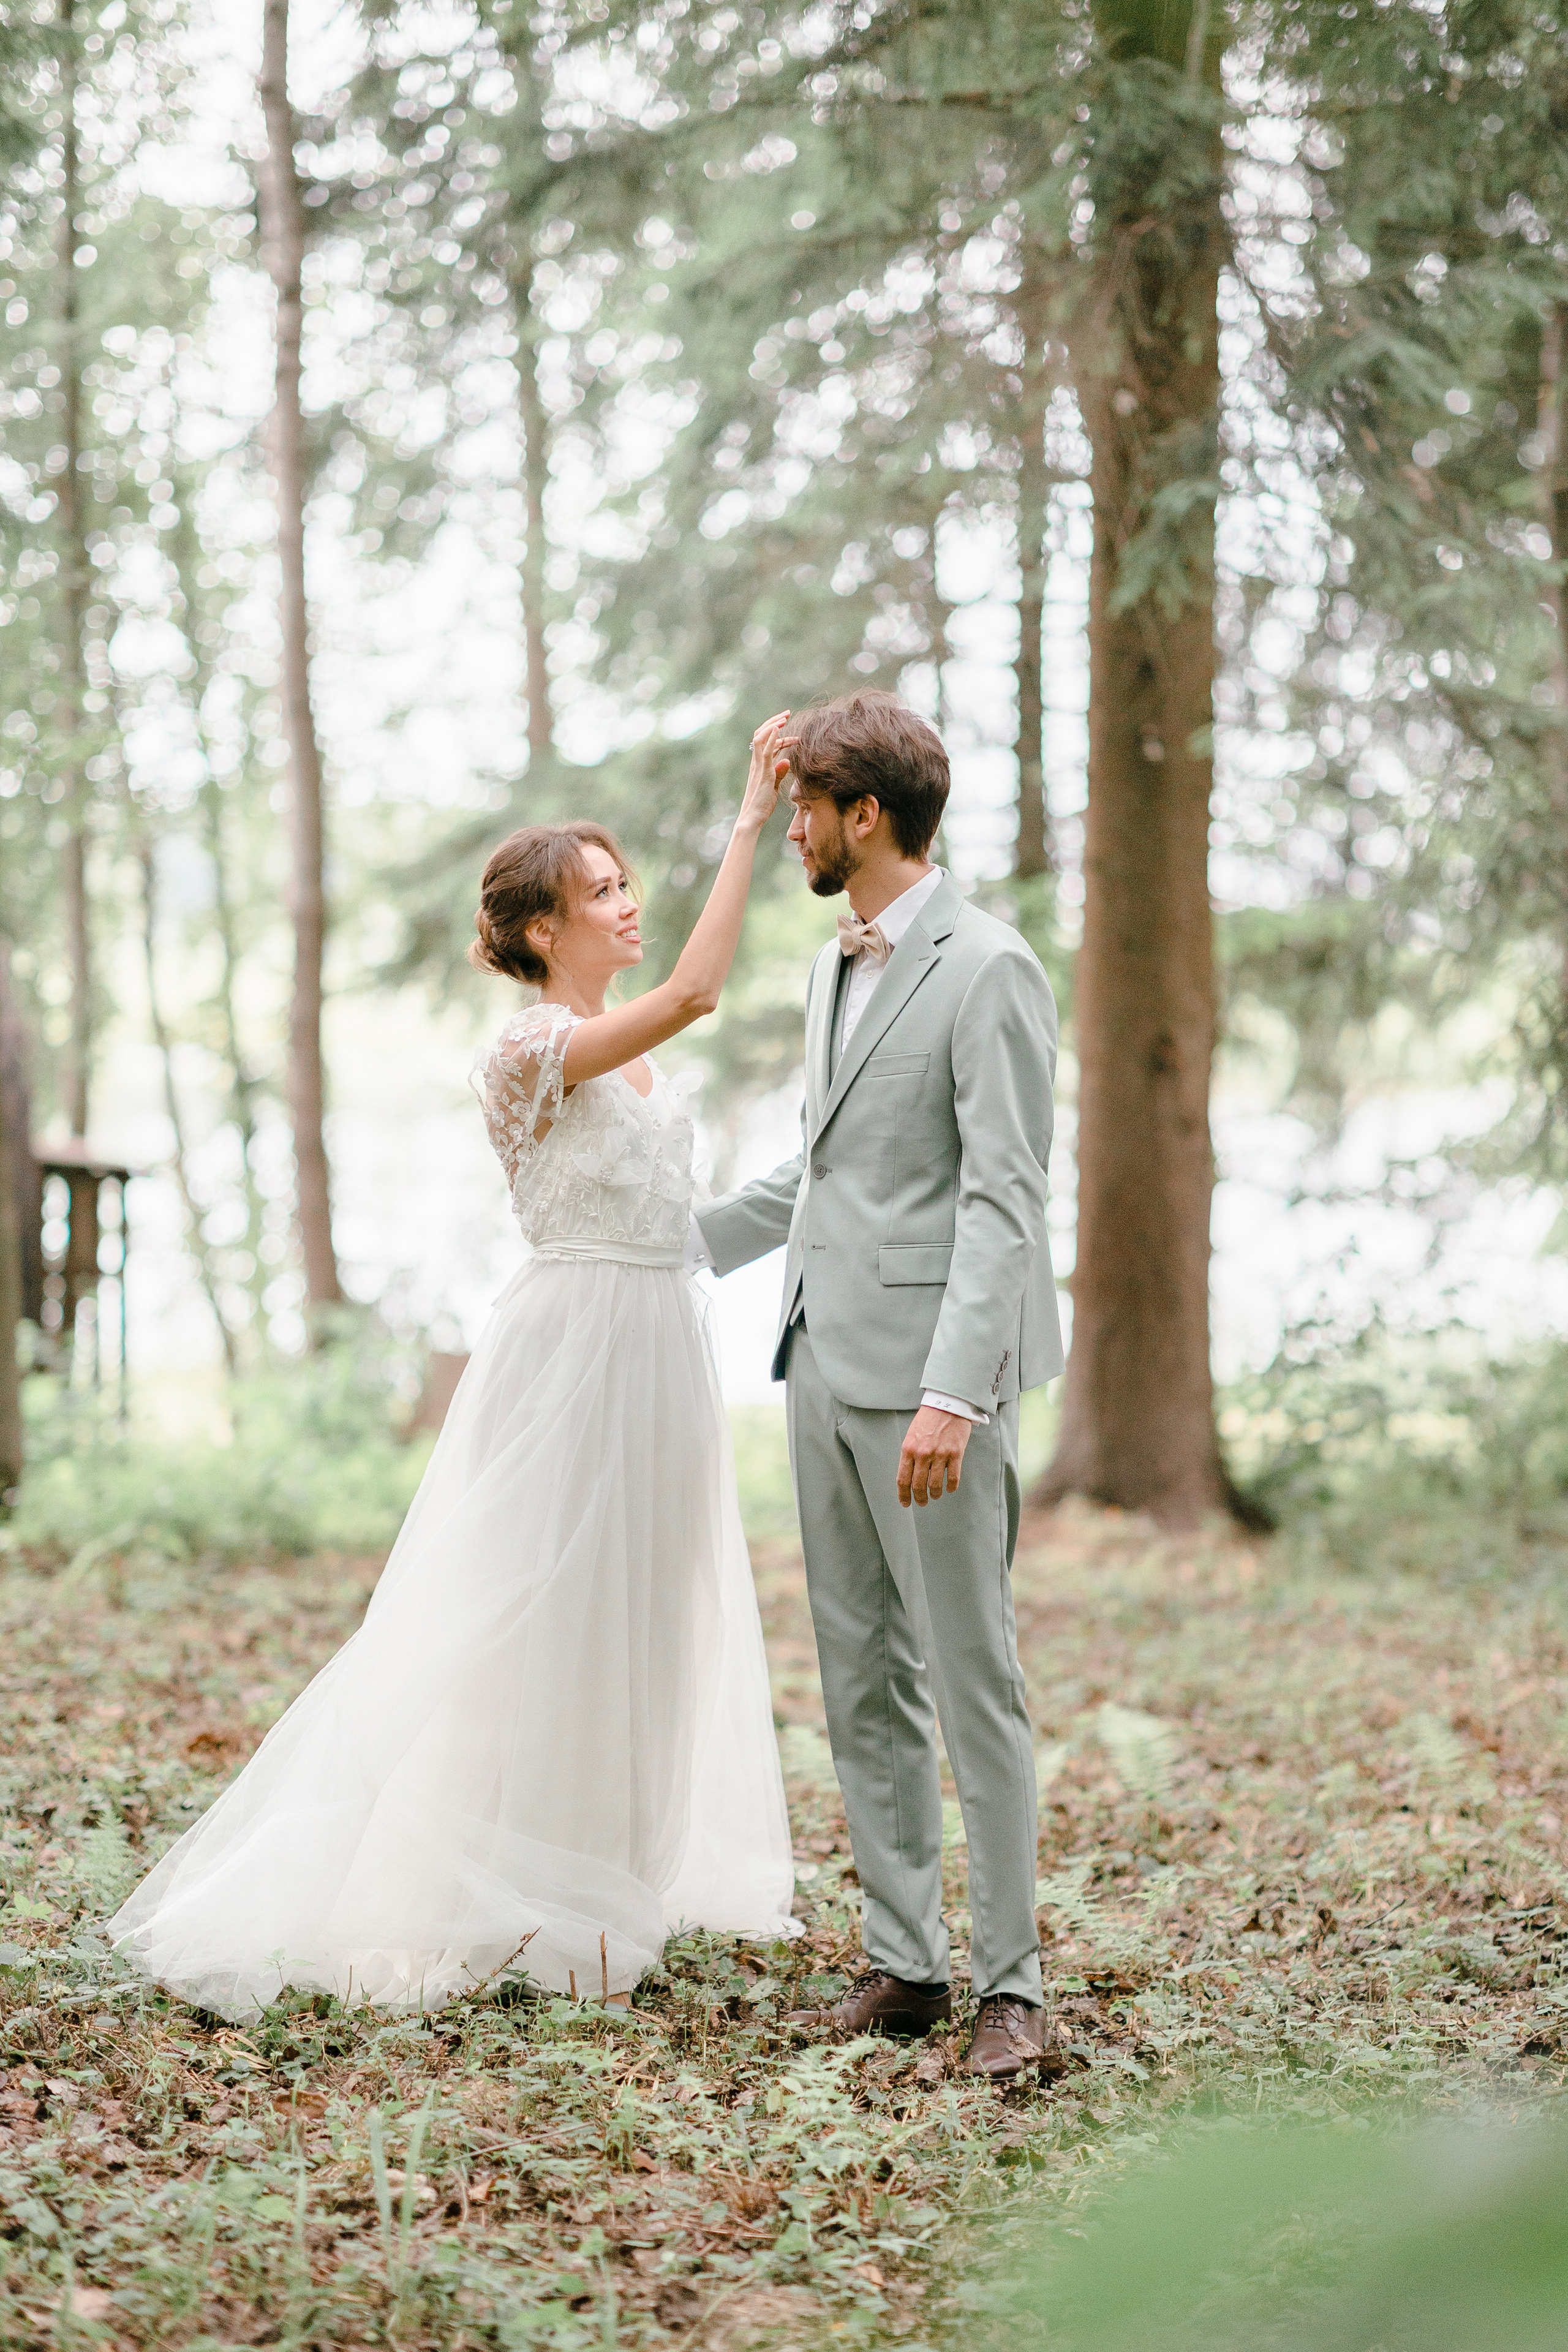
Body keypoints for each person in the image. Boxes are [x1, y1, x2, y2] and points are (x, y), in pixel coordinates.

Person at [107, 718, 801, 2018]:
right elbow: (697, 992)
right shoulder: (526, 1053)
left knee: (647, 1604)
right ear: (541, 929)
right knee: (534, 1606)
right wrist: (751, 824)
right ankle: (489, 1878)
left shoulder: (634, 1055)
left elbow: (673, 1170)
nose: (627, 903)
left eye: (624, 882)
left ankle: (607, 1870)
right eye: (600, 891)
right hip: (571, 1348)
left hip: (663, 1344)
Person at [690, 690, 1063, 2083]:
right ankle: (905, 1964)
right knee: (860, 1679)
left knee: (972, 1681)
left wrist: (955, 1395)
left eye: (806, 808)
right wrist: (665, 1244)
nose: (792, 830)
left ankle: (1012, 1990)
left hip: (930, 1391)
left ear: (866, 815)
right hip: (817, 1360)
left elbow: (1002, 1199)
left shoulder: (991, 968)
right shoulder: (829, 966)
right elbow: (825, 1168)